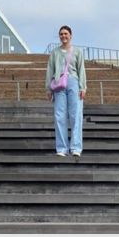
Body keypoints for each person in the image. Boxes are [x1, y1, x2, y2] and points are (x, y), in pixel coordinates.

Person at [45, 25, 87, 157]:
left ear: (70, 35)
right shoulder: (55, 52)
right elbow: (50, 70)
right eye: (61, 34)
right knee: (59, 116)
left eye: (66, 34)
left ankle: (76, 147)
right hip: (59, 84)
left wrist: (83, 87)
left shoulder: (77, 51)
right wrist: (48, 88)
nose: (63, 36)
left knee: (76, 115)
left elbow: (81, 69)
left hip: (74, 82)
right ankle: (62, 148)